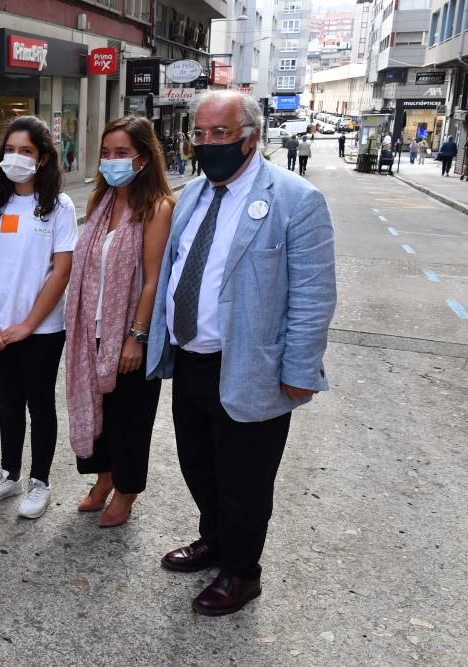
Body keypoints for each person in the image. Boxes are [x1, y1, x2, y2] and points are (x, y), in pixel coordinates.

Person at [146, 90, 337, 616]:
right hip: (191, 359)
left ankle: (242, 571)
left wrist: (299, 370)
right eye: (200, 135)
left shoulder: (296, 200)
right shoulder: (193, 195)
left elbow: (314, 296)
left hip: (253, 366)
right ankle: (215, 539)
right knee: (198, 465)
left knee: (245, 481)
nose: (207, 145)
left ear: (251, 136)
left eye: (220, 134)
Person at [64, 116, 174, 528]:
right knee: (99, 413)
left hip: (130, 334)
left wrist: (136, 337)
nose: (111, 161)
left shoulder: (157, 208)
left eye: (122, 153)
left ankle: (126, 490)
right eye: (106, 154)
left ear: (143, 158)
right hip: (89, 332)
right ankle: (104, 477)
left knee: (130, 419)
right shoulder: (101, 202)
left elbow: (152, 281)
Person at [0, 116, 78, 519]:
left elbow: (62, 271)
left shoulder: (58, 207)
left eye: (26, 151)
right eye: (10, 150)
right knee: (9, 401)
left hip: (43, 329)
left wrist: (28, 325)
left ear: (44, 157)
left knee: (39, 403)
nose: (16, 158)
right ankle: (8, 474)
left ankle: (39, 481)